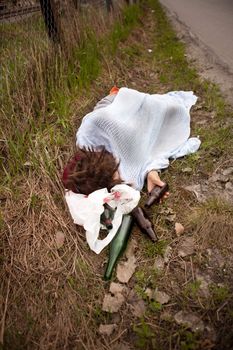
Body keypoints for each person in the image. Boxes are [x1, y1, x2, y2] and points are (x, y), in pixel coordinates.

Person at [62, 87, 200, 197]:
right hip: (118, 122)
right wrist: (151, 172)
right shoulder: (100, 170)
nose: (121, 174)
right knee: (153, 131)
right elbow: (139, 158)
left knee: (170, 110)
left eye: (117, 172)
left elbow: (137, 147)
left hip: (116, 104)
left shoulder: (92, 132)